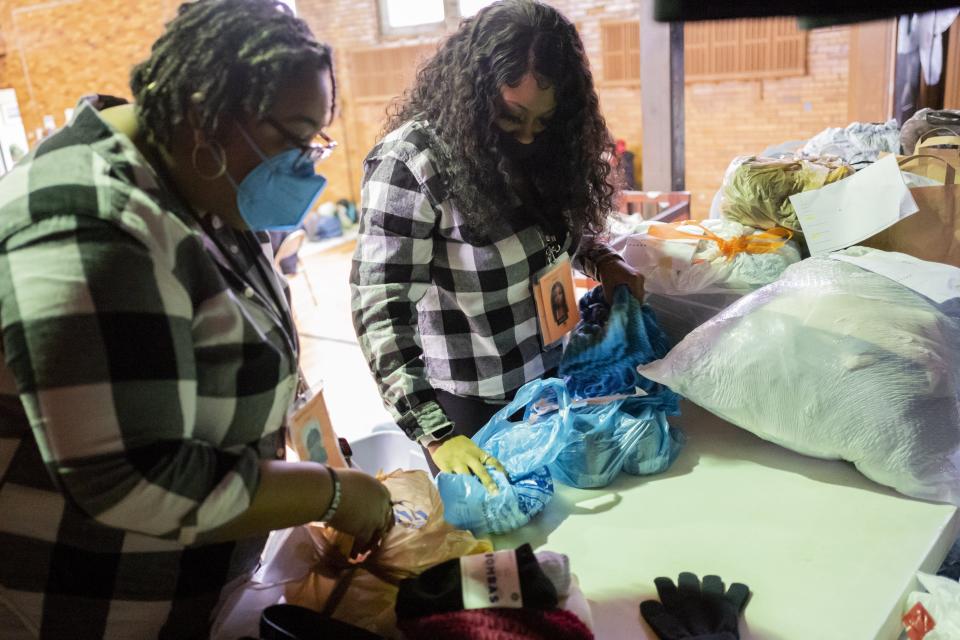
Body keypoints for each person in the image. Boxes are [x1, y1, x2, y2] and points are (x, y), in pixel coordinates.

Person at [0, 2, 392, 638]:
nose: (304, 165)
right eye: (293, 138)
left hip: (192, 591)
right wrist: (328, 493)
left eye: (314, 141)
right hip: (91, 604)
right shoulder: (86, 224)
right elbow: (135, 481)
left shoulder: (198, 182)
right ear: (204, 111)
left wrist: (310, 448)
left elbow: (252, 342)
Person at [350, 0, 644, 493]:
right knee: (500, 548)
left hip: (550, 377)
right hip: (470, 406)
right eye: (513, 117)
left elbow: (551, 236)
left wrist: (602, 260)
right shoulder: (413, 163)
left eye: (544, 121)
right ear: (475, 91)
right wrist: (437, 435)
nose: (528, 135)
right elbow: (380, 309)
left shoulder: (542, 150)